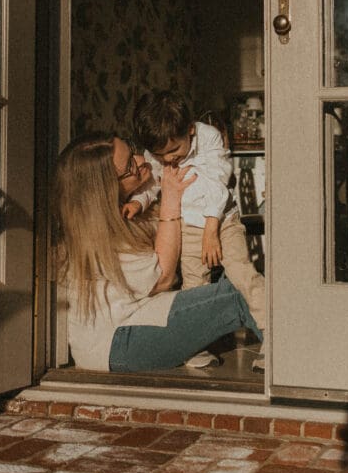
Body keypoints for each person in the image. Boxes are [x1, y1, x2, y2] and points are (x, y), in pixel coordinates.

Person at [52, 131, 263, 373]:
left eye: (132, 150)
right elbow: (162, 278)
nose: (142, 160)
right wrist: (171, 198)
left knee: (239, 277)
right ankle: (288, 362)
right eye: (130, 164)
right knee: (241, 293)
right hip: (118, 341)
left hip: (142, 315)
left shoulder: (129, 208)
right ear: (106, 189)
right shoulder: (94, 234)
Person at [129, 90, 265, 370]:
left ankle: (274, 336)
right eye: (160, 154)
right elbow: (153, 184)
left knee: (242, 274)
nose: (168, 160)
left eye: (174, 151)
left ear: (189, 130)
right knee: (194, 285)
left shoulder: (208, 137)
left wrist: (211, 230)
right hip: (187, 225)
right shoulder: (157, 152)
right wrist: (137, 202)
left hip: (221, 222)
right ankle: (196, 345)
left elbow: (218, 182)